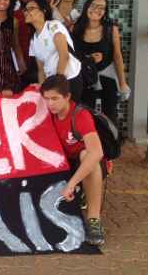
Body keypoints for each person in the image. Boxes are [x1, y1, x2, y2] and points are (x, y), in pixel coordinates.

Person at [41, 74, 106, 246]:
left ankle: (94, 220)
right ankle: (81, 191)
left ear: (67, 97)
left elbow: (96, 152)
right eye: (46, 99)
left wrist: (71, 184)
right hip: (64, 164)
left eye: (55, 98)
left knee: (87, 156)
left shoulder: (80, 115)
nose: (50, 104)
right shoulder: (48, 113)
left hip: (85, 163)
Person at [72, 0, 131, 125]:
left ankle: (109, 144)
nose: (96, 10)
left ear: (105, 11)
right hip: (84, 78)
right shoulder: (75, 27)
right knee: (85, 114)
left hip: (107, 76)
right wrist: (88, 60)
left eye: (101, 7)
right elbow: (71, 55)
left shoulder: (111, 29)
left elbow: (117, 56)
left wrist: (122, 83)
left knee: (109, 115)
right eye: (93, 5)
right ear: (87, 6)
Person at [24, 0, 83, 101]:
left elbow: (64, 56)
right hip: (53, 84)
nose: (26, 12)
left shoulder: (53, 26)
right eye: (25, 9)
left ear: (43, 11)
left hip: (69, 80)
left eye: (31, 8)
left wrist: (56, 84)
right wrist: (42, 88)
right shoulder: (33, 39)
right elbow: (41, 70)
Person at [15, 0, 38, 87]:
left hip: (41, 66)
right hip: (20, 66)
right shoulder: (13, 15)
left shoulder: (44, 14)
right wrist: (20, 62)